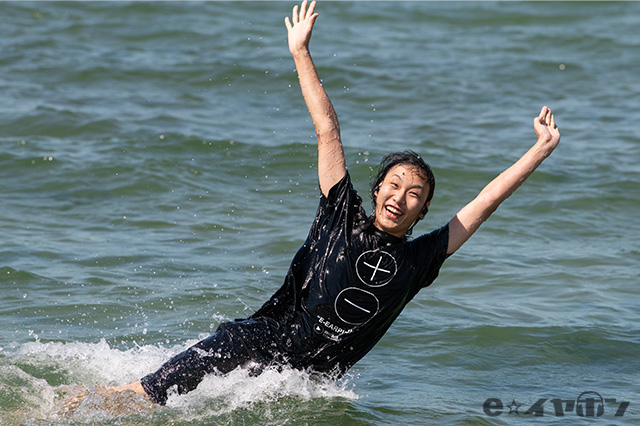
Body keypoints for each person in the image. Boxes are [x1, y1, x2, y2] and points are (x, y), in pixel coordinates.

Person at [112, 0, 560, 405]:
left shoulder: (421, 259)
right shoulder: (341, 211)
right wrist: (300, 52)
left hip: (306, 384)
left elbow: (487, 201)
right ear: (377, 189)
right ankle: (80, 404)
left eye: (414, 195)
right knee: (143, 395)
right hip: (257, 342)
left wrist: (539, 149)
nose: (400, 197)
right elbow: (328, 128)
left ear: (422, 212)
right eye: (394, 185)